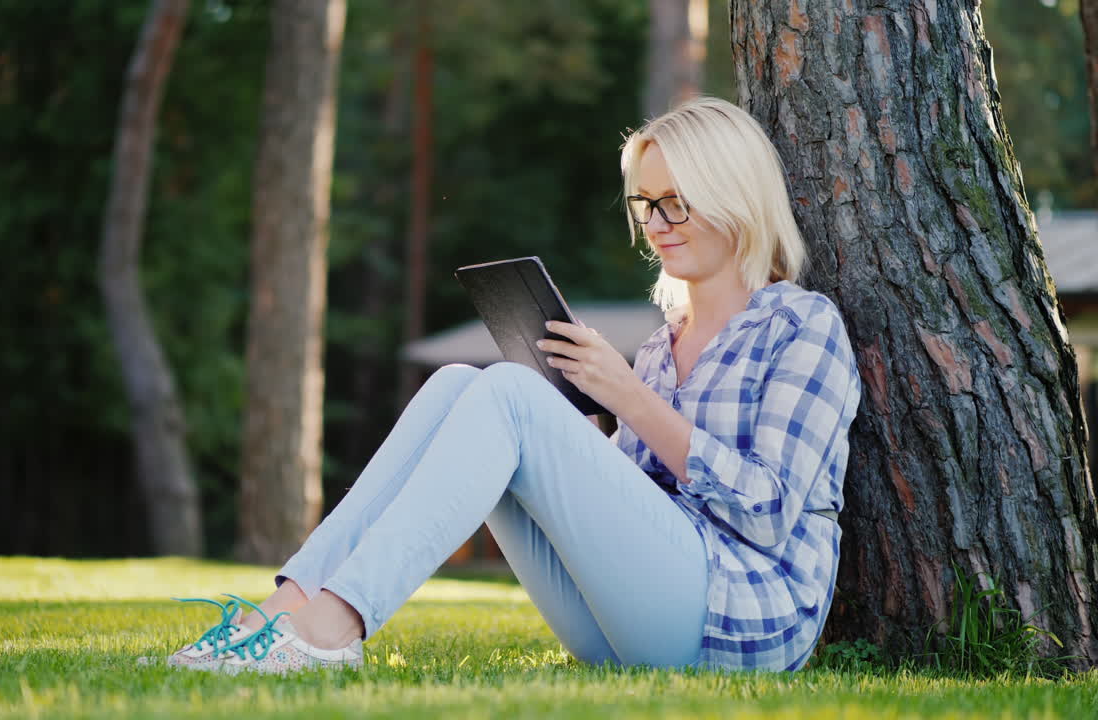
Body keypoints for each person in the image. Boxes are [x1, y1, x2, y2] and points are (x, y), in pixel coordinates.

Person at [161, 96, 862, 675]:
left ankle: (334, 630)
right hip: (626, 625)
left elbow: (768, 511)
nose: (656, 224)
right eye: (645, 204)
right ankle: (283, 610)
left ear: (735, 197)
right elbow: (639, 513)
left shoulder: (801, 326)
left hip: (740, 617)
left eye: (676, 203)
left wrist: (628, 401)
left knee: (507, 393)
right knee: (457, 383)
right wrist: (580, 440)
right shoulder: (656, 349)